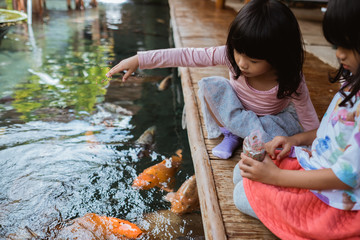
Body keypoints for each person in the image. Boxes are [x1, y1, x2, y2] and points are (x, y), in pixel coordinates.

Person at [106, 0, 319, 159]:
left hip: (269, 118)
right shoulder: (229, 55)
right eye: (239, 52)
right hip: (235, 112)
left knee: (277, 136)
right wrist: (139, 59)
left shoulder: (292, 81)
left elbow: (312, 125)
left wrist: (313, 151)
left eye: (253, 60)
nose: (242, 63)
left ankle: (242, 134)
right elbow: (186, 55)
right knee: (210, 86)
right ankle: (232, 134)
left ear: (279, 56)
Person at [234, 0, 360, 238]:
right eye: (337, 44)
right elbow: (332, 131)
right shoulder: (352, 78)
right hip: (319, 164)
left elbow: (346, 177)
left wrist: (277, 177)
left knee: (242, 193)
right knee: (243, 172)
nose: (339, 53)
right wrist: (295, 140)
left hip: (338, 200)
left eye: (350, 45)